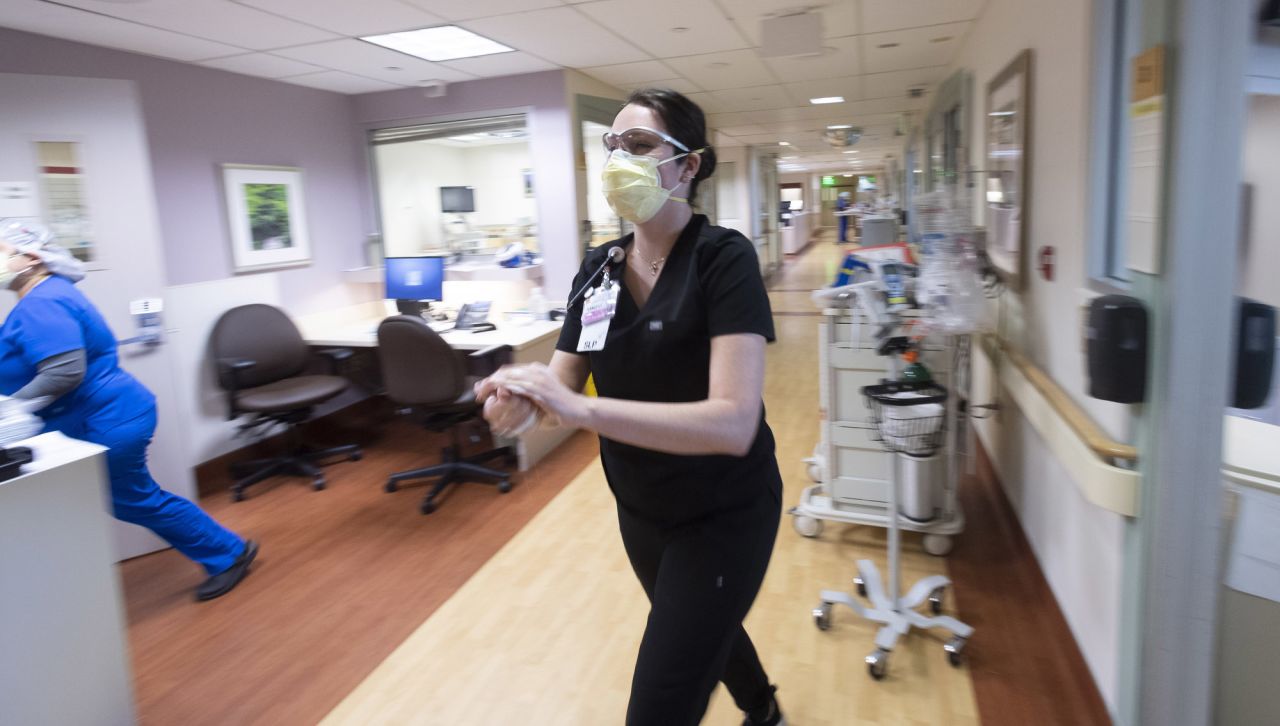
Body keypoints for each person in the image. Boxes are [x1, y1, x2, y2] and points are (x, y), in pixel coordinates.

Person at [476, 89, 786, 726]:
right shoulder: (599, 271)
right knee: (697, 626)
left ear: (689, 165)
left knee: (660, 701)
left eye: (640, 146)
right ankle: (763, 708)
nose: (620, 160)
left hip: (725, 512)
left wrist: (581, 409)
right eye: (612, 146)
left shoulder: (722, 260)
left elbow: (733, 422)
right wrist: (520, 401)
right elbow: (559, 391)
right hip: (642, 507)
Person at [0, 219, 258, 601]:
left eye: (3, 253)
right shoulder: (48, 294)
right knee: (122, 498)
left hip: (103, 419)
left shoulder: (43, 302)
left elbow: (65, 371)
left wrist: (13, 409)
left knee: (135, 499)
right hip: (99, 415)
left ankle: (229, 553)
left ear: (32, 258)